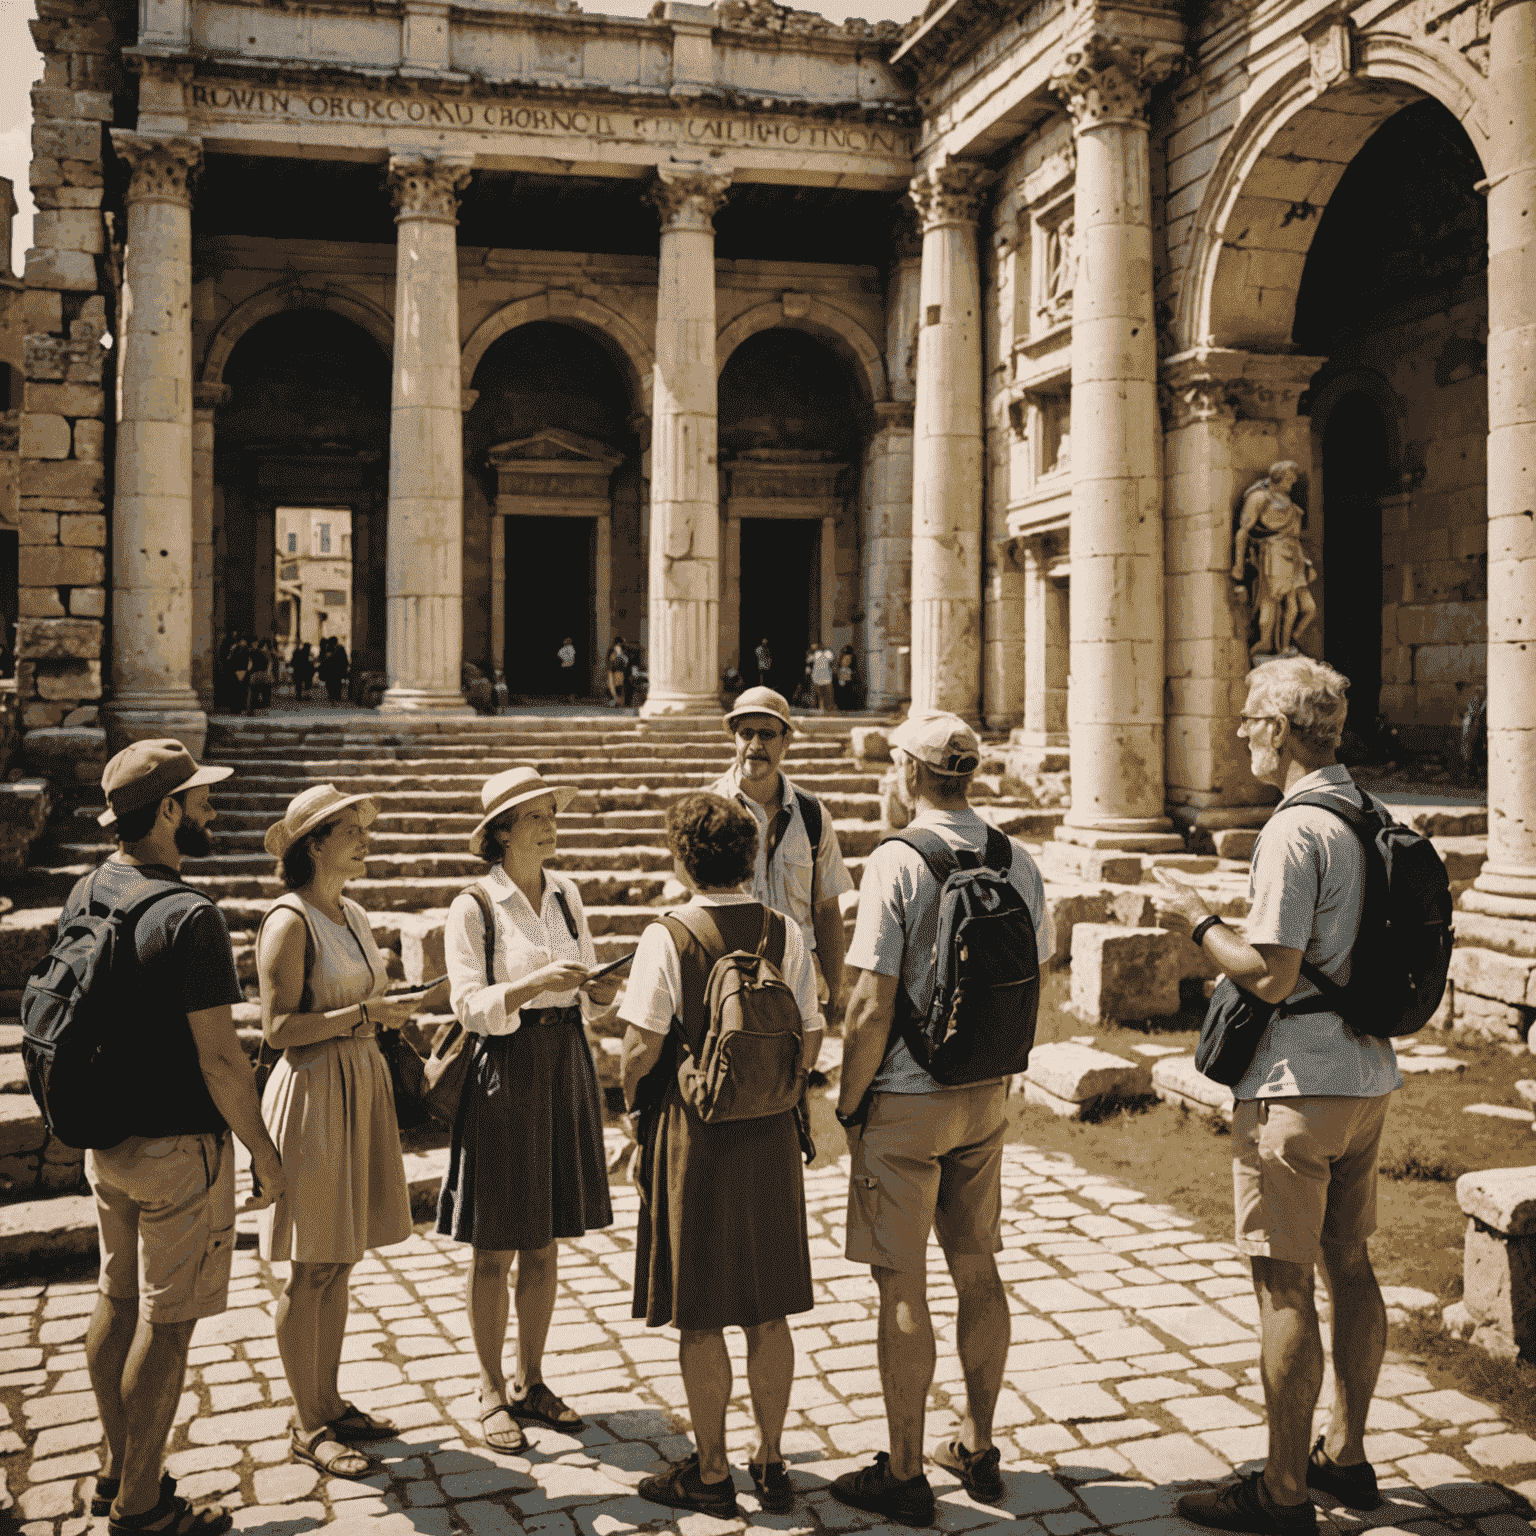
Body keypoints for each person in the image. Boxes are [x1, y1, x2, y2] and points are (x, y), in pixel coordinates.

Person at [1151, 656, 1400, 1536]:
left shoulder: (1296, 830)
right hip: (1366, 1073)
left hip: (1297, 1085)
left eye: (1253, 718)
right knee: (1353, 1263)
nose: (1242, 732)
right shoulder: (1366, 812)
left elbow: (1270, 972)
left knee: (1283, 1284)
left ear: (1287, 729)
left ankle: (1285, 1489)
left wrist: (1195, 919)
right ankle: (1351, 1453)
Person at [832, 710, 1053, 1526]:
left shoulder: (894, 862)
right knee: (978, 1265)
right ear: (970, 774)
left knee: (902, 1282)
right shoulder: (1017, 859)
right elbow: (1036, 971)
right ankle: (980, 1441)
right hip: (985, 1093)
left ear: (906, 771)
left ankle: (902, 1468)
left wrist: (850, 1101)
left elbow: (867, 1004)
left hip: (905, 1095)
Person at [74, 741, 285, 1536]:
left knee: (114, 1299)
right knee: (167, 1327)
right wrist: (264, 1150)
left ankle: (112, 1467)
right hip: (177, 1149)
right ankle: (139, 1507)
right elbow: (223, 1061)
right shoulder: (189, 916)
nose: (210, 809)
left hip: (107, 1141)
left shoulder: (91, 886)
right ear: (165, 811)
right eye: (198, 799)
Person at [619, 792, 823, 1520]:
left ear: (682, 859)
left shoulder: (666, 935)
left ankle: (710, 1469)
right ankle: (770, 1458)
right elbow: (811, 1033)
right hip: (769, 1132)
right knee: (770, 1310)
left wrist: (626, 1100)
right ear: (749, 858)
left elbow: (642, 1046)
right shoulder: (784, 931)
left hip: (694, 1131)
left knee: (701, 1313)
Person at [256, 785, 447, 1480]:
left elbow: (361, 1005)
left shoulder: (354, 911)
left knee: (340, 1258)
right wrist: (364, 1016)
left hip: (358, 1084)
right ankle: (305, 1424)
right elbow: (277, 1029)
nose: (365, 839)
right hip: (311, 1092)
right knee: (309, 1267)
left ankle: (329, 1400)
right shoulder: (289, 921)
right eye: (349, 830)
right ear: (313, 843)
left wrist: (385, 1014)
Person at [438, 766, 622, 1452]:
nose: (551, 824)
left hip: (566, 1061)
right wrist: (533, 984)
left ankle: (532, 1378)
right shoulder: (473, 906)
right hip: (505, 1073)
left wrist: (600, 991)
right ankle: (488, 1385)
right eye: (538, 815)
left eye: (552, 812)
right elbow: (467, 1006)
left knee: (545, 1240)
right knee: (495, 1244)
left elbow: (587, 981)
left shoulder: (568, 893)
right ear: (503, 831)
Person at [708, 685, 853, 1024]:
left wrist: (835, 987)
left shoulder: (813, 814)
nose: (755, 746)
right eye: (746, 733)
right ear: (733, 737)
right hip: (729, 984)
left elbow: (827, 909)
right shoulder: (708, 809)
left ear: (787, 740)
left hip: (799, 987)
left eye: (767, 735)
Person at [1233, 461, 1317, 664]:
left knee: (1302, 607)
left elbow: (1295, 537)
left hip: (1293, 556)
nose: (1292, 482)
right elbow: (1243, 531)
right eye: (1289, 478)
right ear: (1278, 477)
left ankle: (1286, 643)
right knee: (1275, 602)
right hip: (1273, 554)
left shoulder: (1286, 501)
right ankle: (1269, 644)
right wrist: (1238, 566)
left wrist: (1306, 562)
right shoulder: (1260, 498)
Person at [809, 640, 835, 712]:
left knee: (826, 693)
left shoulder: (827, 653)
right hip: (818, 675)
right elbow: (809, 661)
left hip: (825, 675)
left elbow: (832, 662)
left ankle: (827, 708)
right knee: (818, 692)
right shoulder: (815, 654)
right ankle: (820, 708)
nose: (812, 646)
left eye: (814, 644)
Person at [835, 646, 858, 711]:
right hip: (842, 684)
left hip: (847, 683)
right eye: (844, 659)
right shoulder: (840, 669)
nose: (845, 661)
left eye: (848, 660)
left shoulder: (850, 670)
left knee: (847, 695)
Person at [606, 638, 629, 708]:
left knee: (618, 686)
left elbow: (626, 661)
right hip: (613, 671)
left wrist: (620, 655)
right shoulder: (612, 651)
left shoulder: (623, 652)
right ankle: (615, 700)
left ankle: (617, 701)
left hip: (619, 671)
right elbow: (609, 660)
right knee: (612, 686)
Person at [557, 636, 577, 703]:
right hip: (567, 665)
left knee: (569, 683)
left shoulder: (570, 647)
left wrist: (565, 661)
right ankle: (567, 697)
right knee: (568, 683)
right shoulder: (565, 648)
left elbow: (559, 654)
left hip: (567, 665)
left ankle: (570, 698)